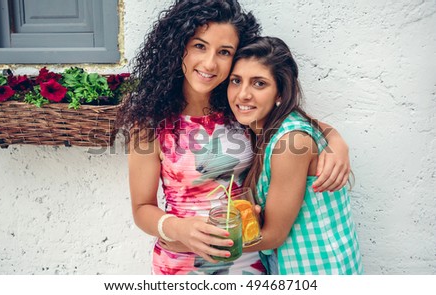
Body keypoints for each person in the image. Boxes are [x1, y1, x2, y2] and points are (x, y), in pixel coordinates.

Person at [113, 0, 350, 275]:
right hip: (181, 263)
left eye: (224, 52)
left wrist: (336, 142)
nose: (210, 63)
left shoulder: (239, 108)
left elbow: (297, 124)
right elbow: (142, 208)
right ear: (179, 47)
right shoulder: (149, 122)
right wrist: (179, 230)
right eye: (200, 46)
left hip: (248, 258)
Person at [226, 36, 363, 274]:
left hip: (317, 271)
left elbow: (273, 236)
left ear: (280, 93)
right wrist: (335, 136)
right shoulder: (265, 126)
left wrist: (189, 242)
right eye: (236, 81)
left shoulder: (290, 143)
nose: (242, 95)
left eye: (259, 84)